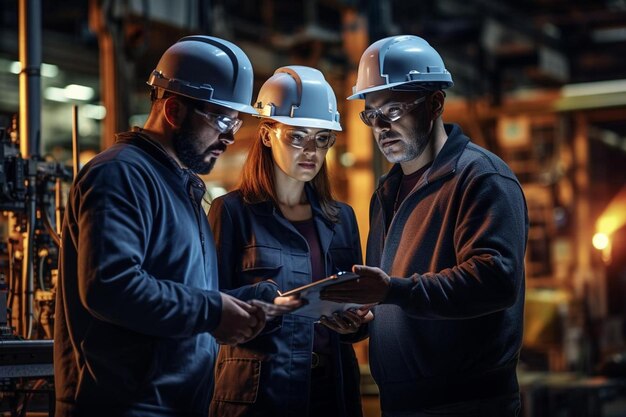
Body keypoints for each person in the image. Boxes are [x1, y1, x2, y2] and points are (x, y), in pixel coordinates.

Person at [54, 35, 272, 417]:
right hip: (126, 406)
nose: (231, 135)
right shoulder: (121, 174)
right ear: (173, 110)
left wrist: (246, 300)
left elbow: (179, 291)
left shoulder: (181, 186)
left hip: (175, 404)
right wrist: (211, 310)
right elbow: (110, 286)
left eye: (236, 121)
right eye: (222, 118)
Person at [321, 35, 529, 417]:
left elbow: (495, 279)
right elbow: (392, 297)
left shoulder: (481, 178)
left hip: (470, 405)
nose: (380, 127)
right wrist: (360, 322)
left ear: (435, 103)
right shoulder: (386, 193)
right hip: (399, 403)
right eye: (371, 115)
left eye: (394, 110)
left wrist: (393, 291)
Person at [207, 65, 371, 417]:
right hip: (260, 394)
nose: (311, 150)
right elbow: (207, 307)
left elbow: (356, 304)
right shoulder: (233, 212)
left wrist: (356, 323)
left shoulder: (340, 218)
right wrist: (268, 300)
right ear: (267, 135)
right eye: (297, 136)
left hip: (331, 391)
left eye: (322, 138)